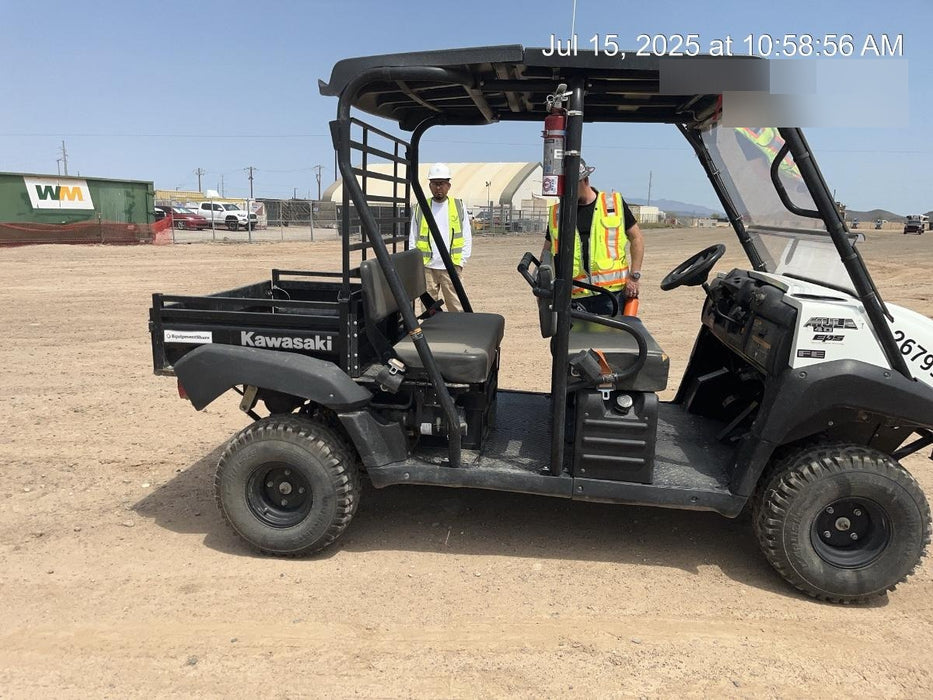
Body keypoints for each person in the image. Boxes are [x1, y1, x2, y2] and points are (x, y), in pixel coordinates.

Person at [542, 159, 644, 315]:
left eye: (571, 186)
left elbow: (636, 238)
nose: (567, 191)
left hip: (610, 296)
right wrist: (544, 280)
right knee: (575, 340)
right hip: (574, 297)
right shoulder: (558, 213)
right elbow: (547, 252)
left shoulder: (613, 204)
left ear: (585, 180)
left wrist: (634, 277)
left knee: (613, 339)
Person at [409, 163, 472, 312]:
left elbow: (466, 235)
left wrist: (461, 261)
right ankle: (432, 334)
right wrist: (416, 264)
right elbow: (413, 236)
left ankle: (457, 333)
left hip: (451, 267)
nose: (438, 187)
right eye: (435, 184)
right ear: (430, 185)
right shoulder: (420, 208)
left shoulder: (458, 206)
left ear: (448, 185)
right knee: (428, 309)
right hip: (427, 267)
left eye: (442, 183)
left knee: (457, 307)